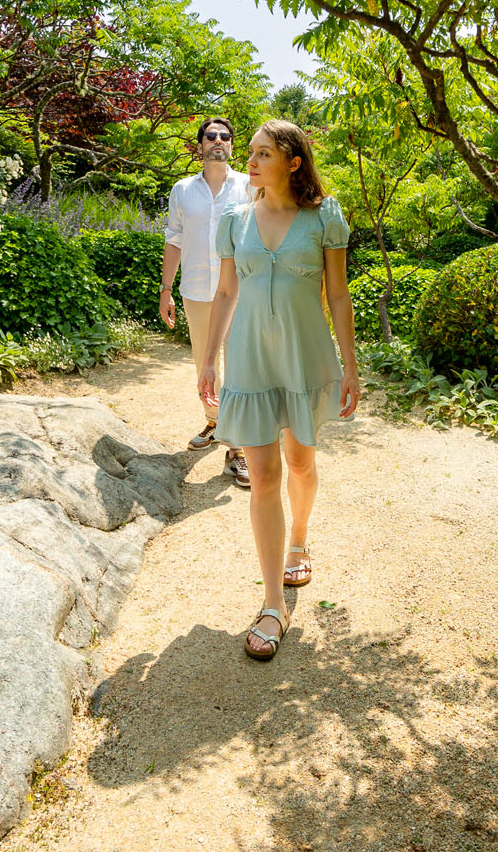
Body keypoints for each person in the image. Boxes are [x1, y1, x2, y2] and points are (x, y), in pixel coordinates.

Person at [197, 120, 361, 661]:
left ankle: (300, 537)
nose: (251, 160)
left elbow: (337, 296)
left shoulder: (323, 218)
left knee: (301, 461)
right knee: (263, 474)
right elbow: (225, 292)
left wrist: (351, 367)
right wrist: (208, 361)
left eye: (263, 153)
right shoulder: (235, 218)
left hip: (304, 358)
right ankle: (273, 604)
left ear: (293, 161)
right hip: (249, 359)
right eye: (250, 152)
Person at [161, 115, 254, 486]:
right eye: (211, 136)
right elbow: (174, 238)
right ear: (199, 145)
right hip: (197, 292)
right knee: (205, 363)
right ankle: (214, 423)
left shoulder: (249, 187)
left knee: (240, 367)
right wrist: (165, 289)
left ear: (232, 145)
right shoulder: (182, 190)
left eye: (225, 137)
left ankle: (238, 448)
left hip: (242, 293)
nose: (218, 141)